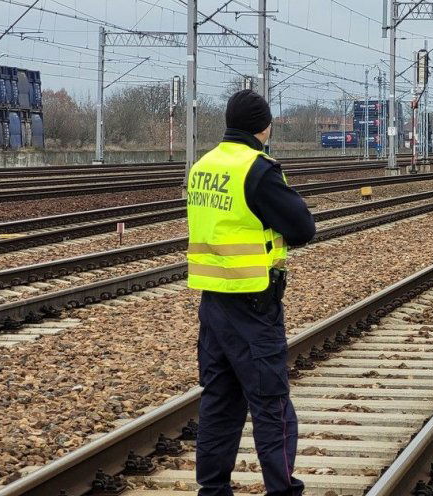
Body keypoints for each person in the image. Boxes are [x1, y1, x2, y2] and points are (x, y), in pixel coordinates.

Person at [187, 89, 315, 496]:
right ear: (265, 127)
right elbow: (303, 227)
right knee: (271, 404)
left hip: (212, 302)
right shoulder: (257, 169)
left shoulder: (203, 167)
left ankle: (212, 491)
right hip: (253, 303)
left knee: (219, 402)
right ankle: (282, 490)